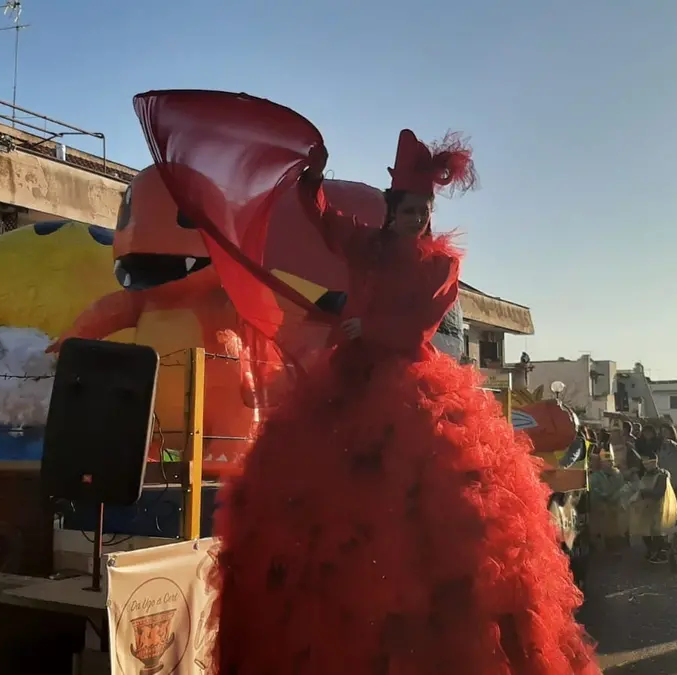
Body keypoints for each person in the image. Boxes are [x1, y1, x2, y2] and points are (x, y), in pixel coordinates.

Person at [135, 90, 599, 675]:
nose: (417, 220)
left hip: (408, 384)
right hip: (348, 378)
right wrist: (312, 181)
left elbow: (422, 324)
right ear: (392, 210)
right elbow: (326, 222)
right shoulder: (368, 243)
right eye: (408, 210)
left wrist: (367, 325)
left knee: (433, 510)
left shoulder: (440, 266)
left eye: (424, 212)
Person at [628, 455, 677, 563]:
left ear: (654, 462)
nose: (645, 466)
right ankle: (652, 550)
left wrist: (642, 492)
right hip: (646, 508)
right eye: (644, 463)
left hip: (658, 508)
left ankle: (659, 552)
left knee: (656, 531)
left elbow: (658, 493)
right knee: (645, 531)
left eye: (648, 463)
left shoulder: (661, 475)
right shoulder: (646, 474)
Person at [588, 449, 629, 554]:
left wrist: (616, 496)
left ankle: (619, 545)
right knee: (605, 527)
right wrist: (606, 496)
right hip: (603, 505)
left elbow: (622, 486)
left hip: (616, 503)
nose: (609, 464)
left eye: (611, 461)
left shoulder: (617, 473)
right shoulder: (595, 476)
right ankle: (608, 547)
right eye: (607, 462)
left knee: (618, 525)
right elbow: (595, 490)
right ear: (601, 463)